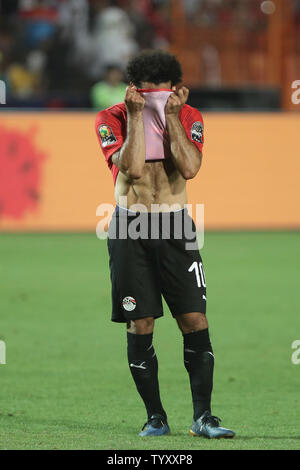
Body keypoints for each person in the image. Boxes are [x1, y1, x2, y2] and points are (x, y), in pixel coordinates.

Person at [95, 50, 235, 439]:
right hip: (129, 229)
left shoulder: (189, 116)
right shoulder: (112, 118)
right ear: (135, 89)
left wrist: (171, 116)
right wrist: (138, 114)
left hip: (176, 227)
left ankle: (203, 417)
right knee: (140, 323)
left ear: (175, 89)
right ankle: (155, 417)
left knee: (194, 319)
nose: (154, 97)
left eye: (162, 92)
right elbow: (133, 167)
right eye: (147, 92)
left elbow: (190, 168)